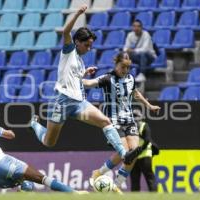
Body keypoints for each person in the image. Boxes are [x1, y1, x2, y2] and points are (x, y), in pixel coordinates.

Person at [29, 5, 143, 177]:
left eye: (91, 45)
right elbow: (65, 32)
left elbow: (73, 76)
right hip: (61, 102)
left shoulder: (80, 61)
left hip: (78, 103)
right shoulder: (69, 51)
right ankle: (34, 124)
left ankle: (124, 153)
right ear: (77, 42)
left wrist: (84, 72)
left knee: (105, 121)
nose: (89, 48)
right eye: (87, 45)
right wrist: (77, 14)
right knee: (49, 142)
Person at [82, 52, 160, 192]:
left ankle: (116, 185)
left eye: (127, 67)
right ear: (116, 64)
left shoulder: (130, 78)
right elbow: (88, 84)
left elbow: (135, 93)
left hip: (129, 121)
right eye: (122, 67)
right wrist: (83, 75)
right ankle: (98, 173)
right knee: (123, 153)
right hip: (114, 121)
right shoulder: (107, 78)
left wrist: (149, 106)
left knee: (134, 153)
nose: (125, 70)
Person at [0, 110, 86, 193]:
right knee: (42, 178)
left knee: (27, 185)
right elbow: (11, 135)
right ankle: (75, 194)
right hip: (3, 163)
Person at [130, 109, 159, 192]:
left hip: (139, 156)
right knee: (148, 178)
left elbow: (147, 140)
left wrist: (137, 151)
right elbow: (147, 140)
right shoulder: (143, 125)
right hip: (142, 155)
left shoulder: (133, 127)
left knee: (136, 179)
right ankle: (154, 196)